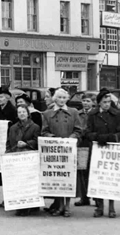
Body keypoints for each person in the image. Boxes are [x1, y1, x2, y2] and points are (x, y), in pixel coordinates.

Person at [41, 88, 82, 217]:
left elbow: (79, 130)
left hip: (69, 150)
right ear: (55, 99)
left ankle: (67, 206)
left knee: (68, 178)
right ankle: (59, 205)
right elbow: (44, 131)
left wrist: (73, 137)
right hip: (54, 151)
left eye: (64, 98)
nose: (62, 100)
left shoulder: (73, 112)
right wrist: (52, 138)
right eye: (59, 98)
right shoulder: (47, 114)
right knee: (57, 177)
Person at [86, 90, 120, 218]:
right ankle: (99, 207)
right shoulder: (92, 115)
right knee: (98, 178)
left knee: (110, 179)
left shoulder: (117, 115)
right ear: (99, 103)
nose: (107, 105)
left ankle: (112, 207)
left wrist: (112, 137)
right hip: (98, 149)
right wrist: (98, 137)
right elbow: (87, 132)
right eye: (104, 102)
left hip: (112, 150)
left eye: (109, 102)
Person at [5, 104, 41, 216]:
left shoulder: (35, 127)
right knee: (18, 182)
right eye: (19, 112)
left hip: (29, 158)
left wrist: (27, 144)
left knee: (28, 182)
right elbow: (8, 142)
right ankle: (20, 205)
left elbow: (37, 141)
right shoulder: (13, 128)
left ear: (28, 113)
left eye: (23, 112)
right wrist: (7, 154)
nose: (21, 114)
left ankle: (30, 206)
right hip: (16, 157)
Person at [0, 85, 16, 208]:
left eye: (2, 97)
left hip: (9, 143)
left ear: (7, 98)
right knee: (2, 172)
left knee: (9, 172)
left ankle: (9, 198)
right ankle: (5, 197)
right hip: (0, 143)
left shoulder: (12, 110)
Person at [75, 92, 97, 207]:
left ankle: (97, 198)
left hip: (93, 144)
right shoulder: (78, 114)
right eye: (84, 101)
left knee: (94, 171)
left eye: (88, 101)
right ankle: (84, 197)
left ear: (93, 103)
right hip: (82, 145)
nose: (85, 103)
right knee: (82, 170)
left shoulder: (95, 114)